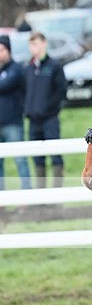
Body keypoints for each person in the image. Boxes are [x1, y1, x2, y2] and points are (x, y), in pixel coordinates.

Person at [24, 32, 67, 187]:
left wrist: (48, 109)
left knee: (55, 154)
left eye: (35, 44)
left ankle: (56, 194)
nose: (32, 48)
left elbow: (61, 91)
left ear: (44, 43)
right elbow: (25, 91)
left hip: (50, 119)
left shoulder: (54, 66)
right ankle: (41, 195)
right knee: (37, 157)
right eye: (30, 44)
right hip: (33, 120)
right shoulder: (28, 67)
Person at [0, 34, 32, 190]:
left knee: (20, 159)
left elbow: (4, 85)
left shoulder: (16, 69)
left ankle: (26, 194)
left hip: (13, 123)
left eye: (1, 50)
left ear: (9, 51)